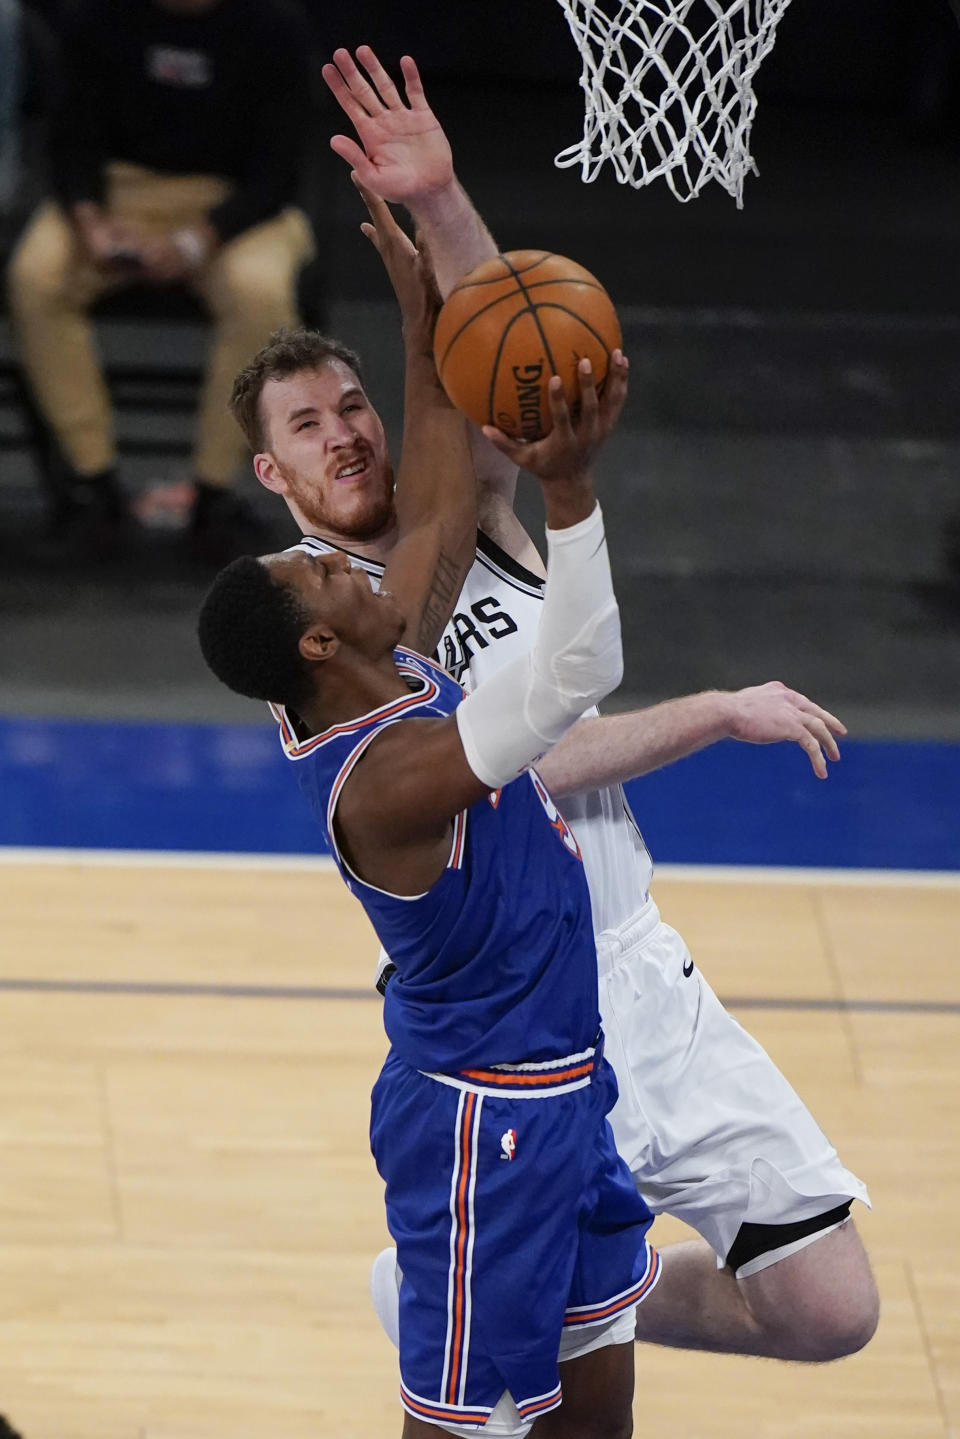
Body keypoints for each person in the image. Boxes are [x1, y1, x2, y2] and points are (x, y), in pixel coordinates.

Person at [239, 45, 881, 1366]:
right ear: (269, 467)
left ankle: (561, 1288)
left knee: (830, 1311)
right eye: (309, 424)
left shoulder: (468, 510)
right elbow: (536, 749)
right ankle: (509, 1289)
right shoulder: (327, 641)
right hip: (511, 1009)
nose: (346, 430)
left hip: (635, 959)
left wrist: (443, 199)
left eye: (358, 402)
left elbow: (513, 353)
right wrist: (712, 709)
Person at [199, 201, 660, 1437]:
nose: (338, 560)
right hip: (481, 1125)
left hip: (566, 1089)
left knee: (599, 1392)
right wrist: (569, 491)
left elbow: (443, 502)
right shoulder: (392, 780)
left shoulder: (376, 648)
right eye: (314, 571)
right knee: (459, 1424)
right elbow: (575, 671)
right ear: (316, 636)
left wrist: (422, 323)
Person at [5, 0, 316, 561]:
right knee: (35, 278)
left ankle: (215, 491)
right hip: (114, 196)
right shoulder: (92, 20)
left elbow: (278, 172)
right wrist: (90, 223)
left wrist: (198, 240)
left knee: (260, 294)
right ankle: (92, 481)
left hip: (235, 208)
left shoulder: (275, 29)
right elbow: (70, 139)